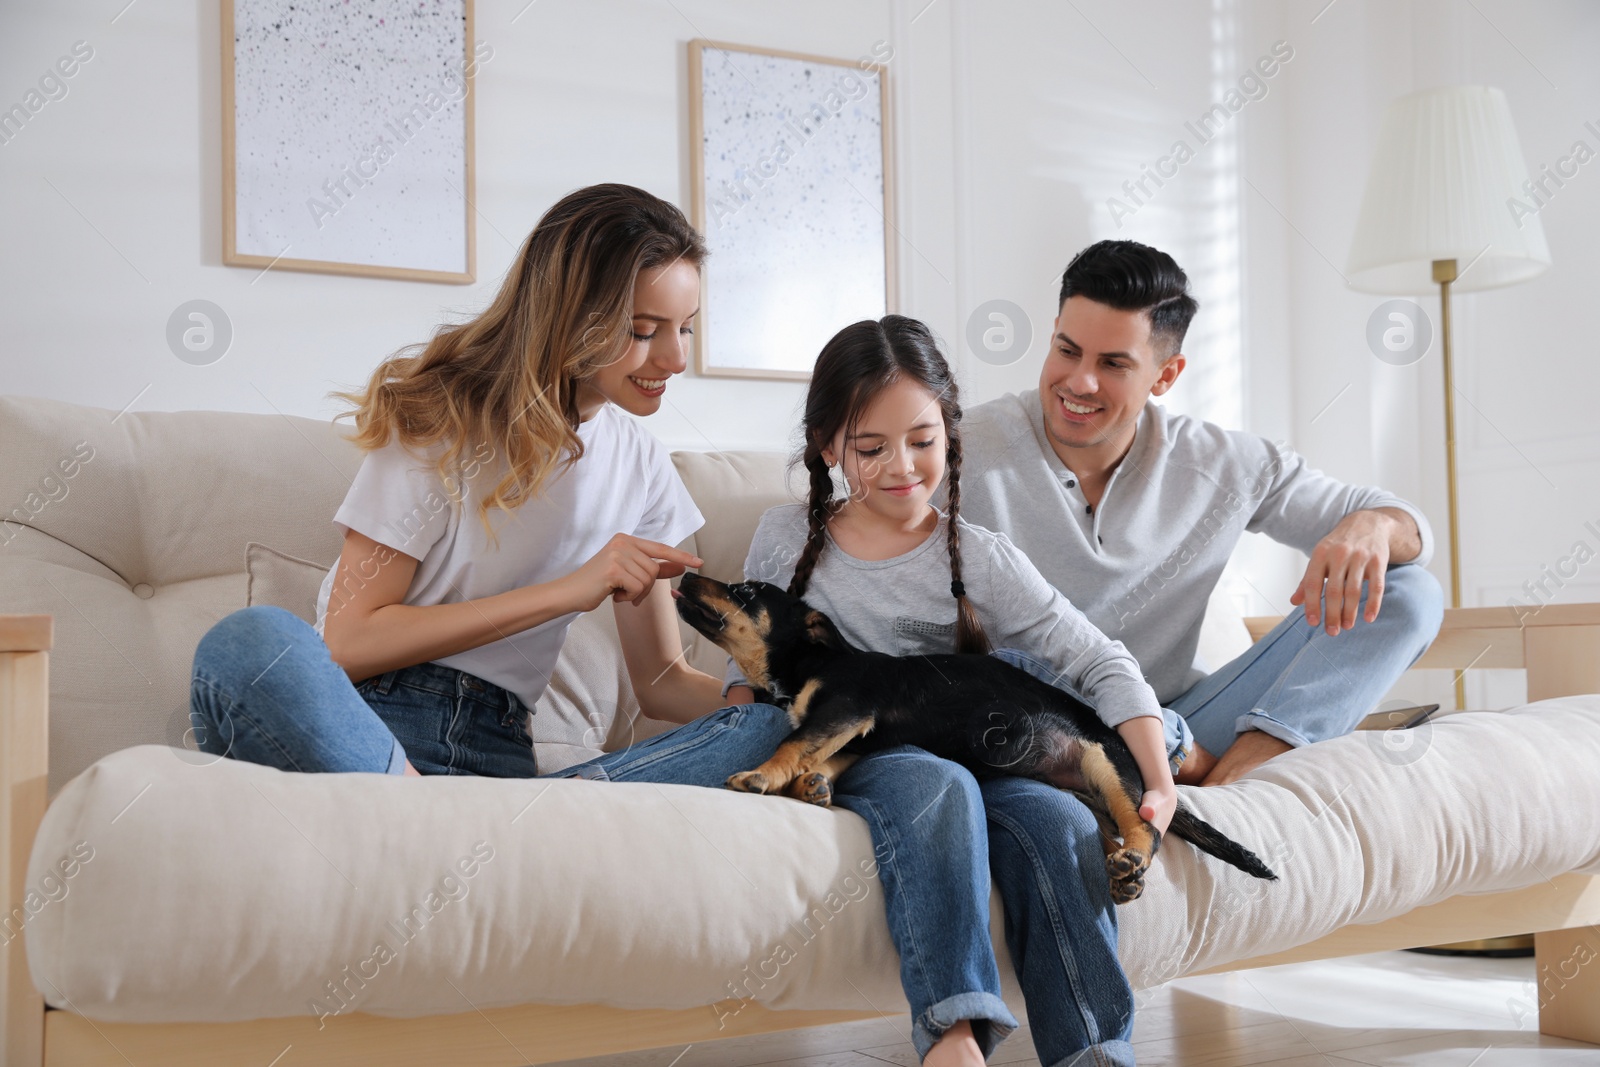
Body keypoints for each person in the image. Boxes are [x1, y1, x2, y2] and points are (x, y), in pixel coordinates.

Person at [186, 185, 1026, 1066]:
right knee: (248, 644)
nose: (672, 357)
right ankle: (427, 827)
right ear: (569, 316)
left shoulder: (637, 463)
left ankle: (461, 846)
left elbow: (661, 683)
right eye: (642, 328)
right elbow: (347, 642)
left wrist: (766, 701)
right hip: (363, 723)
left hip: (499, 767)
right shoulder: (439, 413)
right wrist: (572, 588)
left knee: (762, 720)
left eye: (686, 328)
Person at [725, 315, 1189, 1067]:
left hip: (991, 757)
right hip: (869, 757)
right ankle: (954, 1035)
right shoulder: (785, 538)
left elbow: (1098, 658)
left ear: (949, 430)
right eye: (871, 449)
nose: (902, 467)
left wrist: (1157, 783)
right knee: (936, 781)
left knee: (1055, 823)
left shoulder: (978, 556)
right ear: (828, 446)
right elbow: (749, 681)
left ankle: (1096, 1054)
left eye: (923, 440)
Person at [958, 239, 1445, 787]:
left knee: (1411, 593)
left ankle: (1244, 772)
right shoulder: (958, 450)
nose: (1079, 382)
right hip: (1028, 736)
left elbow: (1410, 530)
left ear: (1165, 376)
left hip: (1181, 729)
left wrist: (1373, 524)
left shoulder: (1223, 465)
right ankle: (1216, 781)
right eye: (1067, 350)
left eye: (1113, 364)